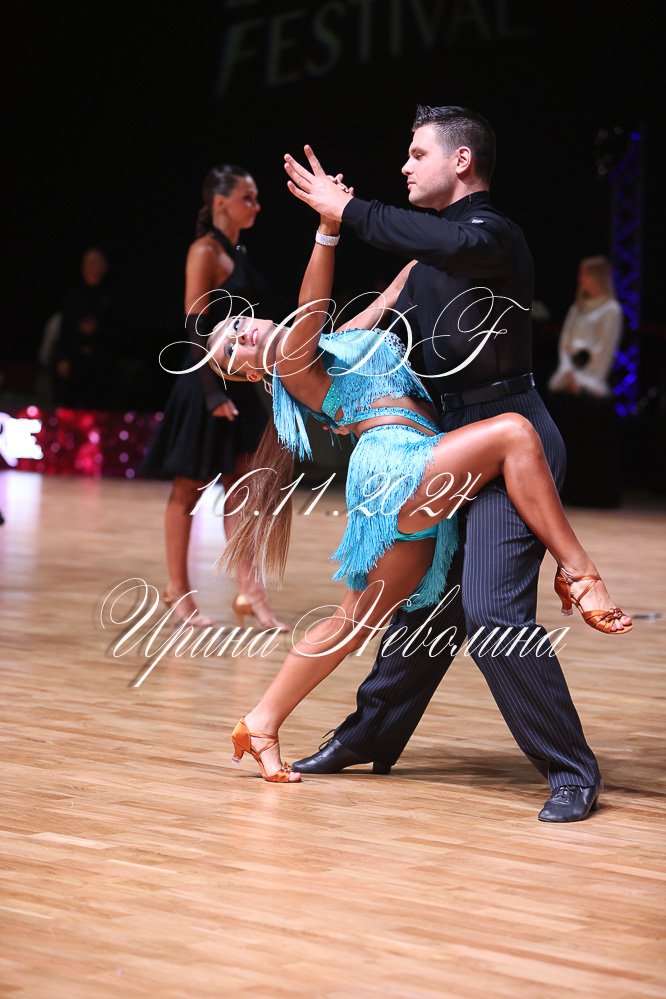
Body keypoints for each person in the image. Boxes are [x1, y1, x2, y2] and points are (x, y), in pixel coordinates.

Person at [205, 147, 632, 806]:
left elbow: (397, 288)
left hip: (396, 478)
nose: (242, 336)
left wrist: (437, 247)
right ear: (250, 374)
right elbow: (312, 306)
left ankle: (260, 723)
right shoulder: (291, 357)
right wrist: (329, 226)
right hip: (399, 466)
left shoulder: (331, 345)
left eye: (236, 325)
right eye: (232, 352)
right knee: (515, 434)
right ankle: (578, 570)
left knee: (353, 620)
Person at [143, 165, 285, 629]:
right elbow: (193, 325)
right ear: (221, 201)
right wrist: (209, 392)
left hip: (237, 382)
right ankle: (177, 590)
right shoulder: (203, 250)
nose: (256, 205)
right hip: (203, 383)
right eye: (248, 197)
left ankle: (250, 591)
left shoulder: (239, 251)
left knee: (242, 487)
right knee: (188, 488)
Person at [548, 256, 623, 507]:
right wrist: (568, 373)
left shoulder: (611, 310)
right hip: (568, 380)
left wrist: (582, 378)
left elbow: (604, 350)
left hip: (591, 384)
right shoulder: (577, 308)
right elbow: (565, 344)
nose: (581, 279)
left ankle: (591, 494)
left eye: (585, 274)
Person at [52, 247, 114, 408]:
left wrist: (98, 328)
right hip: (74, 362)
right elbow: (64, 330)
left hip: (100, 363)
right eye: (87, 263)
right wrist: (62, 358)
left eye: (95, 263)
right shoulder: (74, 296)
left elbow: (118, 330)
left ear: (104, 266)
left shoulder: (111, 297)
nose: (90, 267)